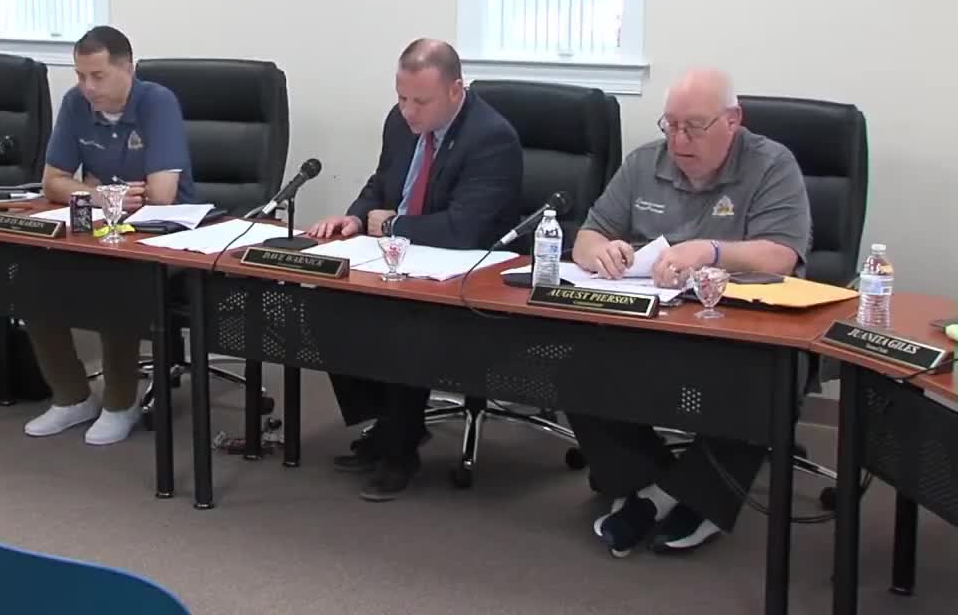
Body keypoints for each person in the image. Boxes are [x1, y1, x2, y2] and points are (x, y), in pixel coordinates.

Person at [567, 68, 811, 556]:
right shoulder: (644, 162)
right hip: (655, 315)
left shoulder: (771, 165)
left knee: (763, 379)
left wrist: (710, 250)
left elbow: (781, 255)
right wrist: (601, 252)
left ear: (733, 120)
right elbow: (588, 236)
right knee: (574, 358)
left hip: (742, 324)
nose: (679, 140)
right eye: (671, 125)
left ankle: (692, 502)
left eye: (694, 127)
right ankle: (643, 484)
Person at [307, 38, 523, 501]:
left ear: (455, 90)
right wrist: (355, 217)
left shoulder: (492, 138)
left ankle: (399, 450)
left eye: (420, 101)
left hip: (468, 275)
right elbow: (381, 183)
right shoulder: (400, 121)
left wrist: (392, 225)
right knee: (325, 297)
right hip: (399, 257)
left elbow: (464, 229)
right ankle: (388, 421)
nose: (408, 111)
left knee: (403, 318)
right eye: (402, 97)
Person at [22, 25, 196, 445]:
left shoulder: (157, 102)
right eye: (81, 76)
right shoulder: (75, 103)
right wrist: (100, 193)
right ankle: (71, 397)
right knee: (31, 276)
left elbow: (161, 194)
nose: (87, 87)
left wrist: (88, 187)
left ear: (127, 69)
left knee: (113, 280)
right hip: (103, 224)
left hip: (166, 230)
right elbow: (51, 182)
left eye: (97, 76)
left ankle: (121, 403)